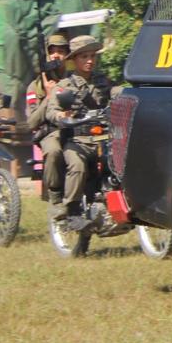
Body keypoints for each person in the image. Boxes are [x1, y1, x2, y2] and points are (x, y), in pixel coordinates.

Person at [45, 36, 119, 231]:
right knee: (77, 166)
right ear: (74, 60)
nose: (90, 60)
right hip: (78, 139)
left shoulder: (103, 81)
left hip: (105, 137)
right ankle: (72, 212)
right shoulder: (65, 85)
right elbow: (51, 110)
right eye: (84, 56)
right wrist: (61, 115)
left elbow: (118, 92)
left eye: (93, 56)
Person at [26, 33, 69, 218]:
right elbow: (32, 122)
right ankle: (56, 197)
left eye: (61, 51)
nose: (56, 56)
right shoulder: (35, 87)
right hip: (51, 132)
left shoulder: (75, 79)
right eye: (52, 52)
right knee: (53, 152)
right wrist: (50, 95)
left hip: (78, 128)